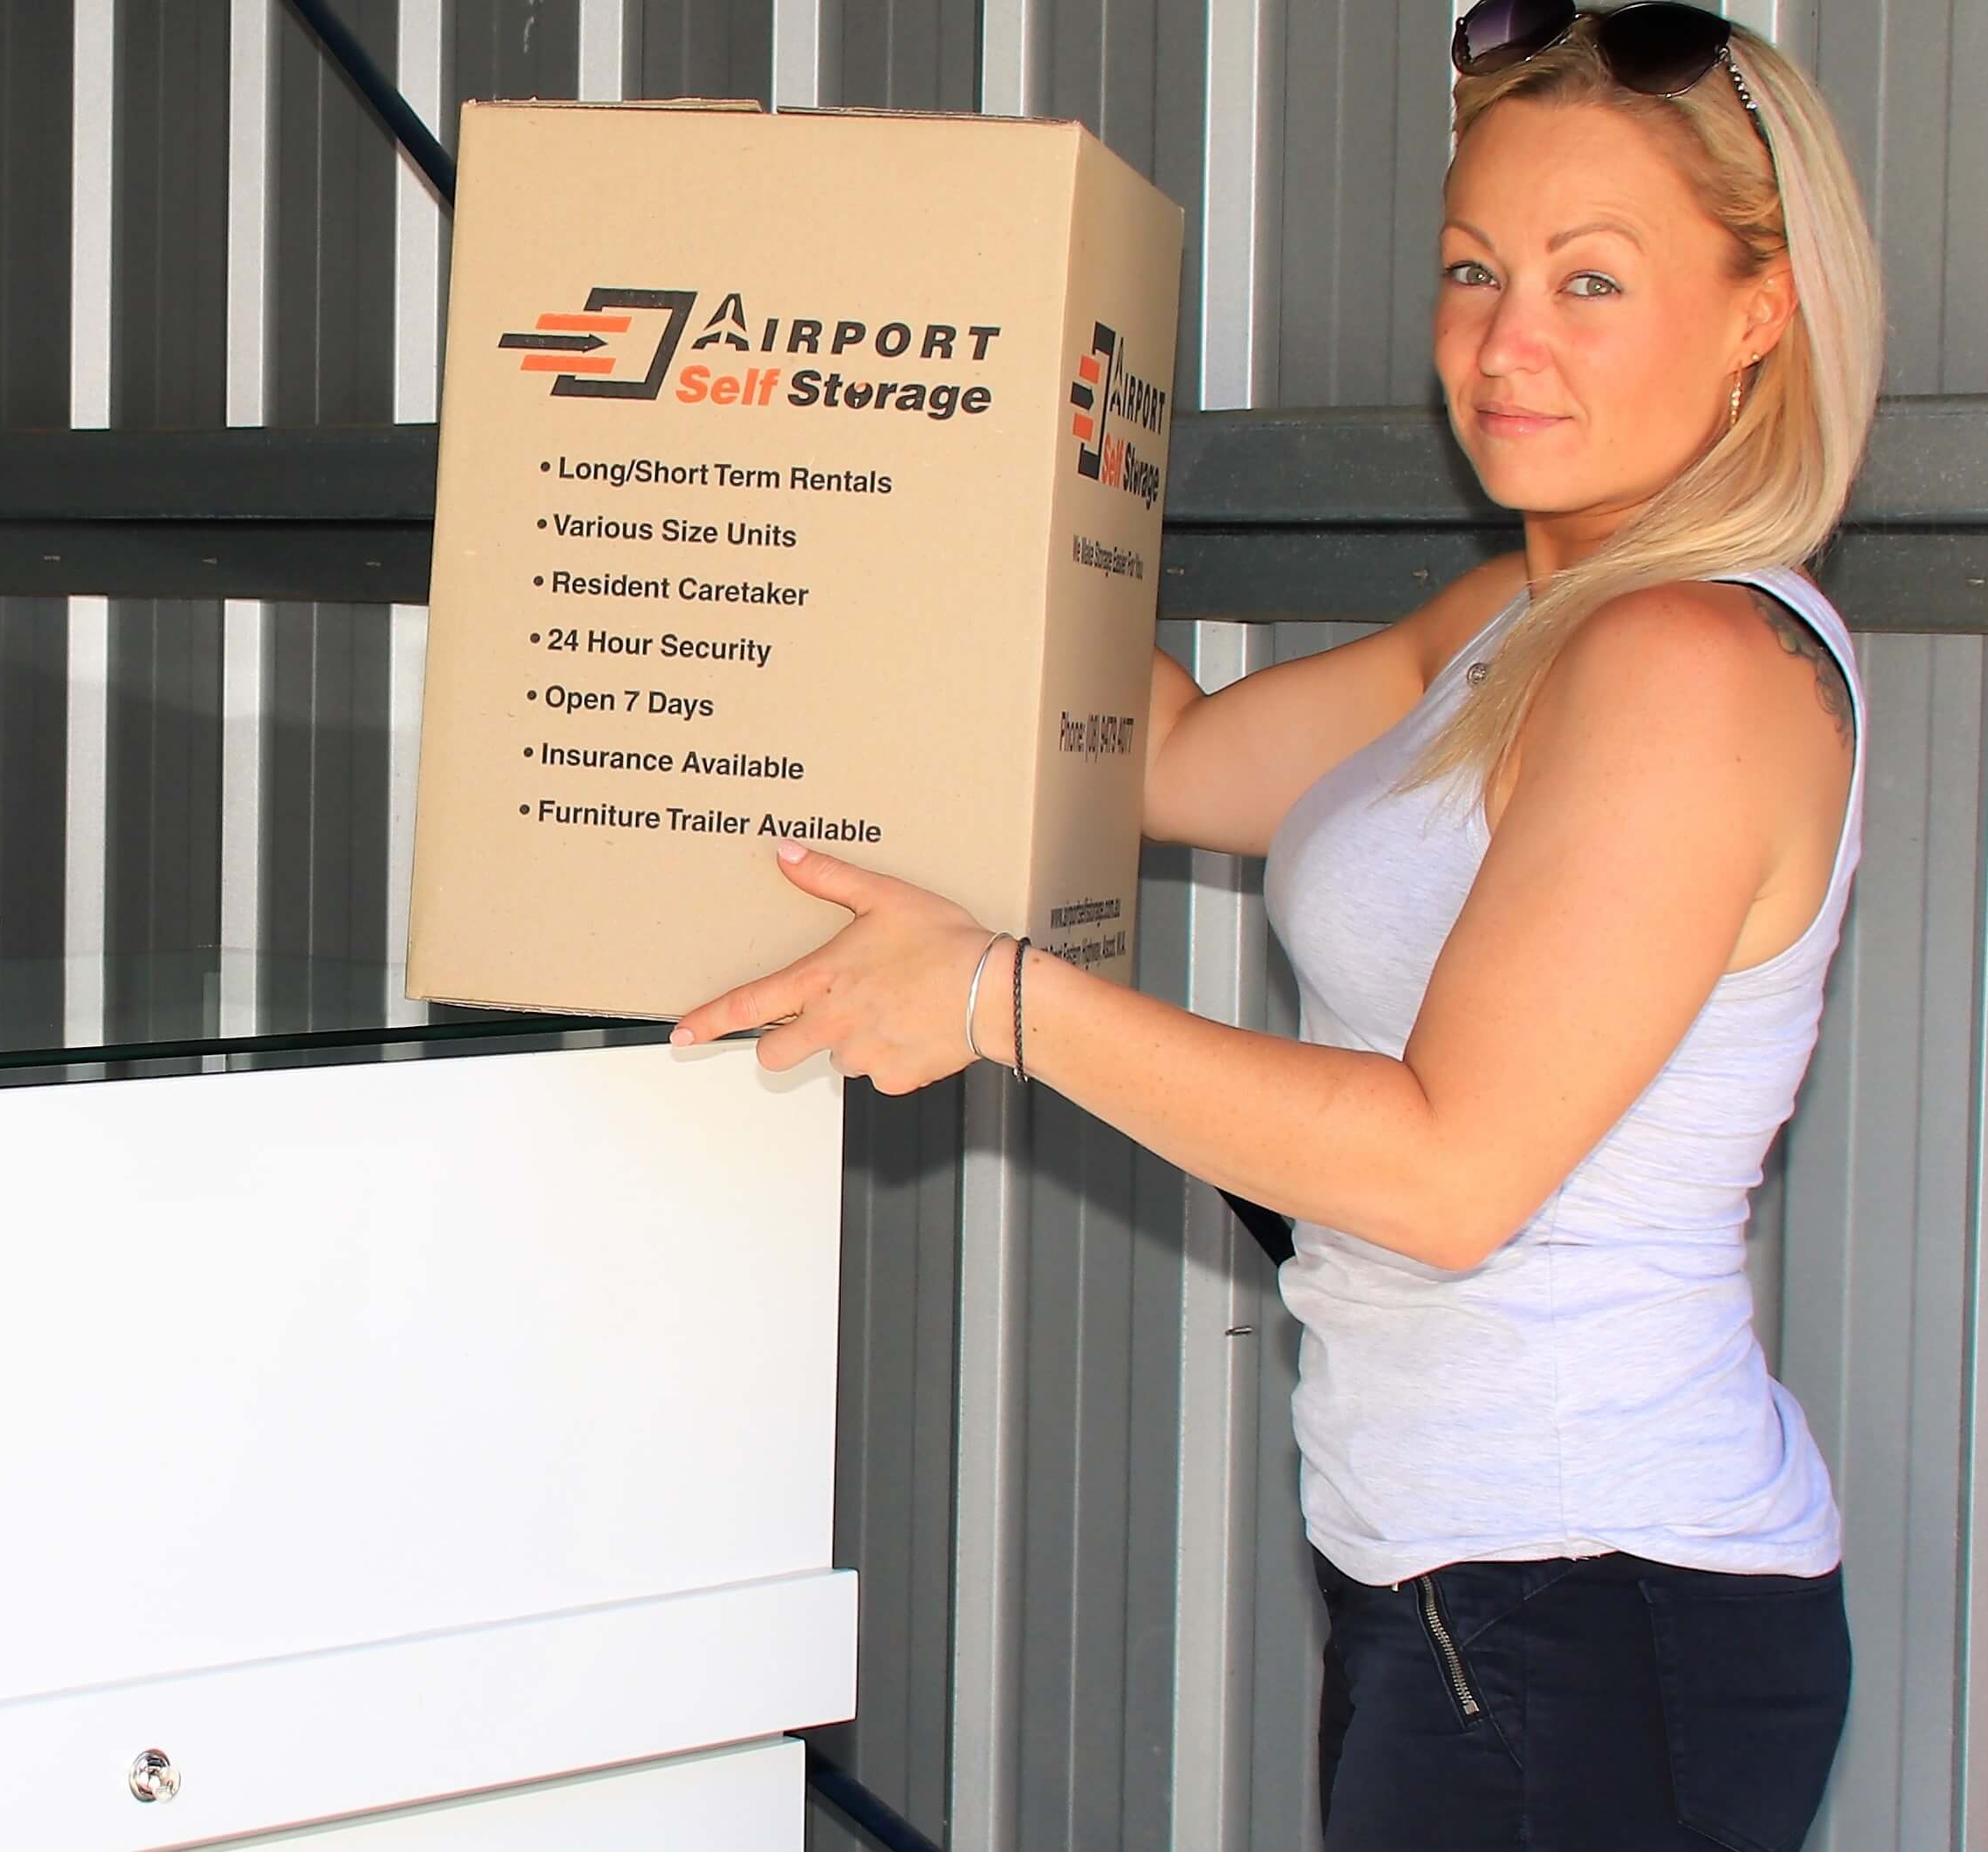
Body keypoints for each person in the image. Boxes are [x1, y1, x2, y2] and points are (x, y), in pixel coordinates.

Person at [673, 4, 1883, 1845]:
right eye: (1473, 270)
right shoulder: (1517, 619)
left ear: (1756, 316)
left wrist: (997, 998)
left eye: (1590, 282)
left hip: (1589, 1591)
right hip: (1463, 1568)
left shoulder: (1689, 665)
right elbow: (1164, 758)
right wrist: (904, 444)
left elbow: (1444, 1170)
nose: (1505, 343)